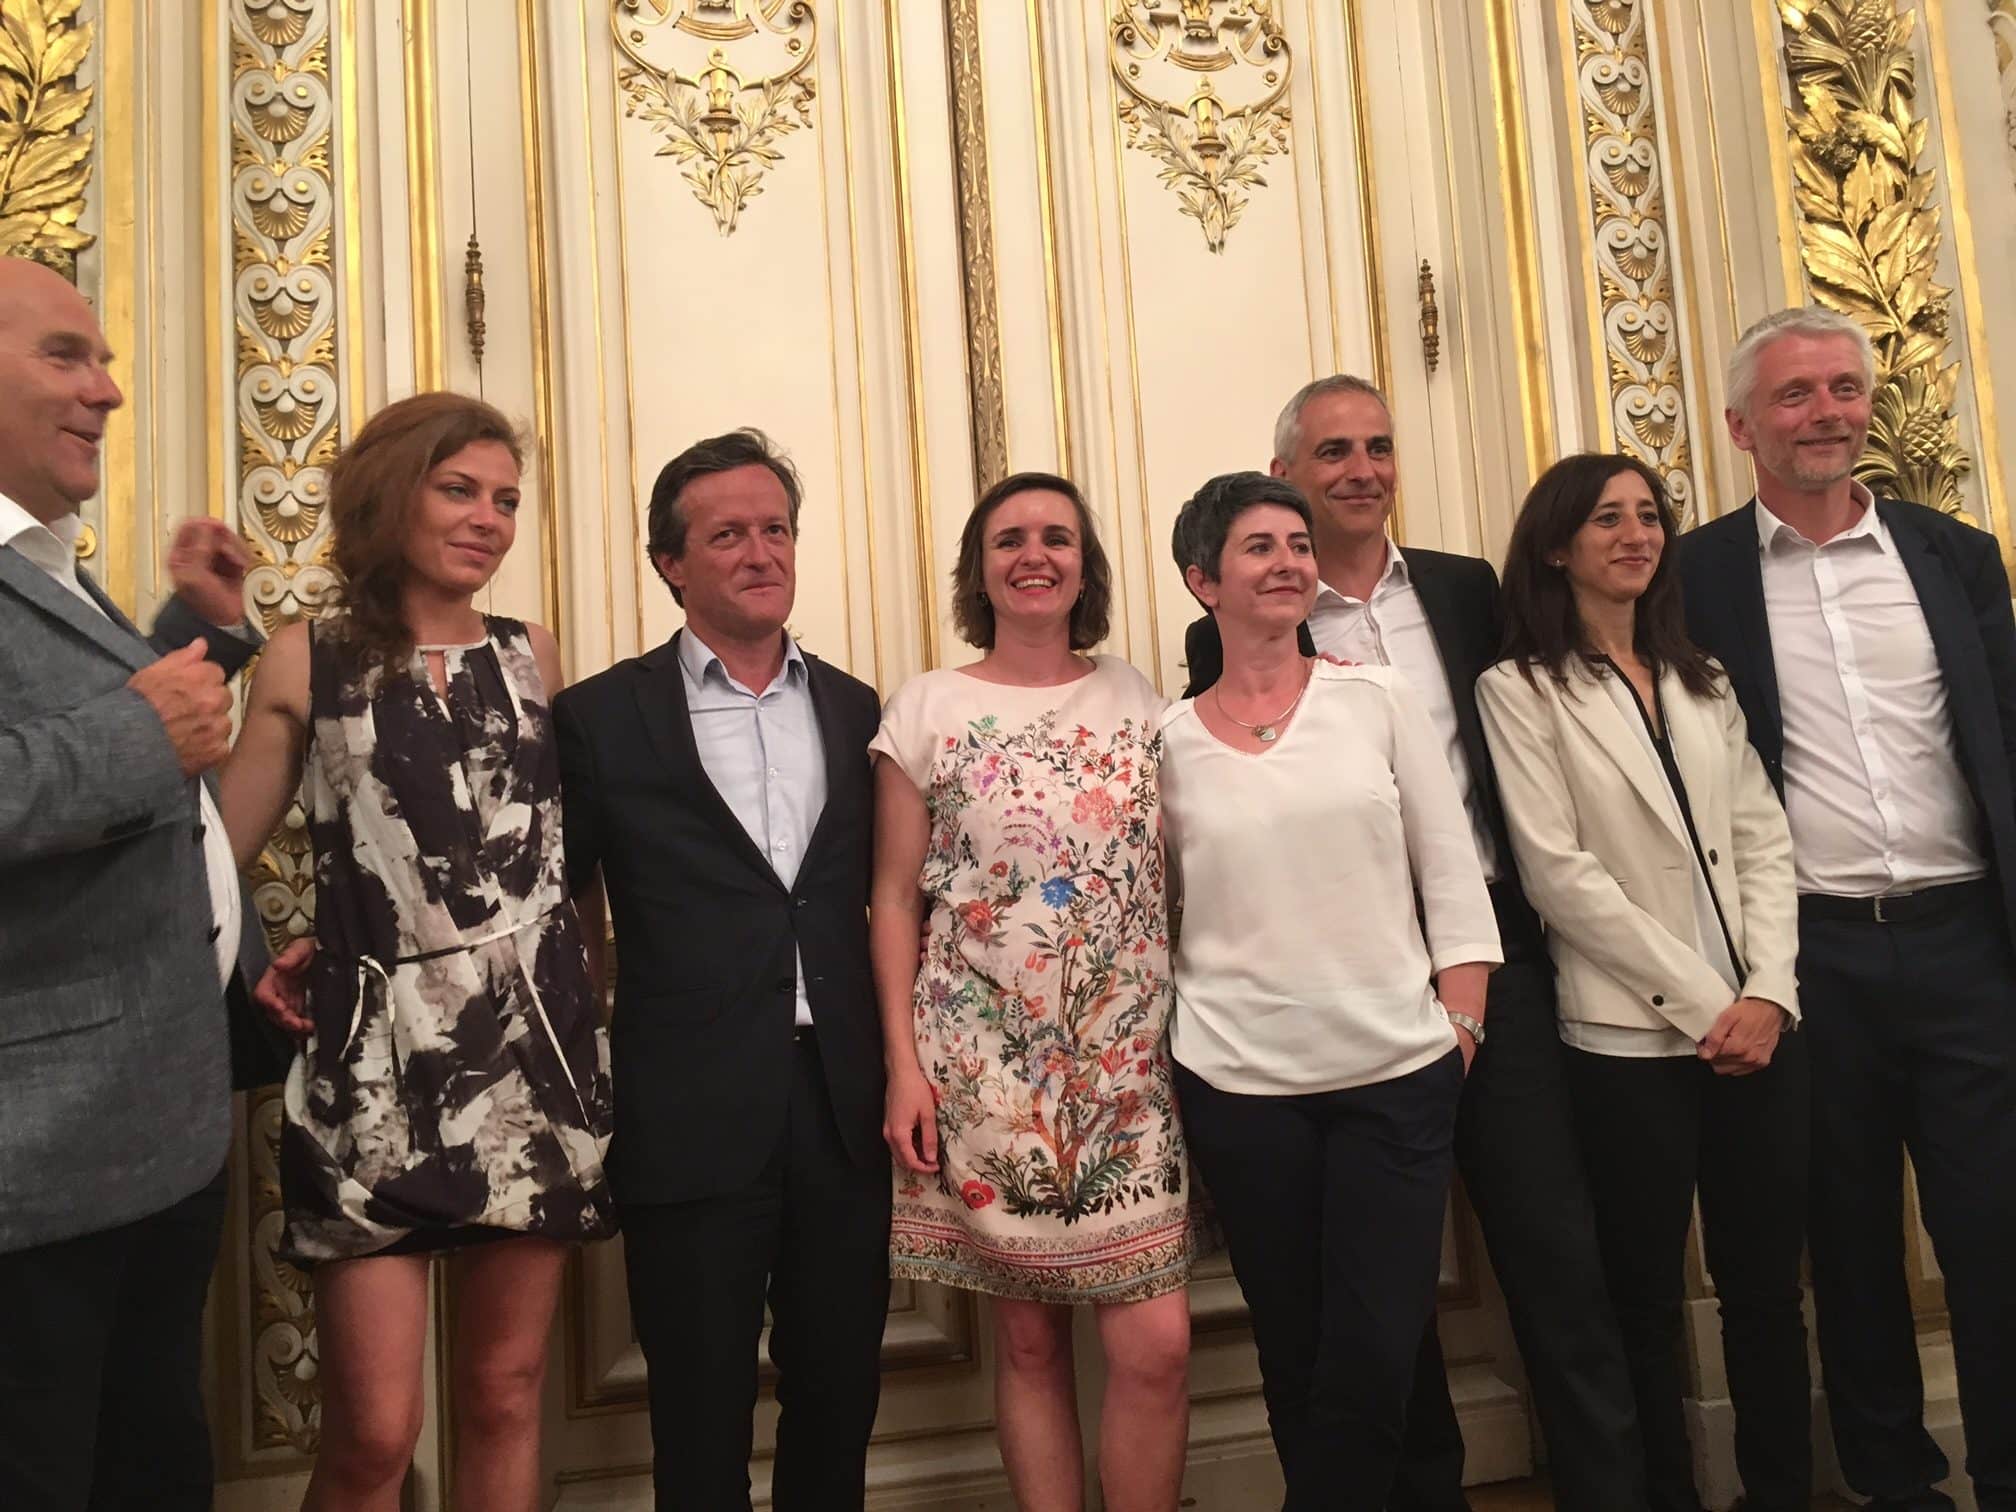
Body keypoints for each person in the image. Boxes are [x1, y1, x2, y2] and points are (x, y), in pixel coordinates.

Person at [1183, 376, 1647, 1512]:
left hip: (1494, 968)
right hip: (1345, 997)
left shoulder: (1460, 588)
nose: (1362, 470)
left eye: (1379, 446)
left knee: (1553, 1261)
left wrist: (1468, 1001)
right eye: (1333, 450)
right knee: (1378, 1291)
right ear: (1283, 474)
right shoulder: (1222, 638)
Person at [220, 391, 615, 1512]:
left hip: (535, 1063)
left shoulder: (532, 652)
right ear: (392, 494)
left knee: (502, 1397)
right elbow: (214, 851)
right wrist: (261, 957)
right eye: (460, 490)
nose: (489, 518)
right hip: (371, 1078)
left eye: (505, 499)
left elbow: (559, 862)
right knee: (375, 1438)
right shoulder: (304, 658)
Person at [1678, 306, 2016, 1512]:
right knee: (1854, 1245)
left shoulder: (1954, 554)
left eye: (1841, 389)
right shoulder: (1696, 575)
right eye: (1794, 396)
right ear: (1739, 426)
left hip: (1968, 940)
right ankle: (1894, 1485)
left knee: (1995, 1231)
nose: (1826, 413)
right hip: (1813, 957)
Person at [552, 429, 891, 1511]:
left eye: (776, 528)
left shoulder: (856, 707)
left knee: (839, 1396)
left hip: (843, 1103)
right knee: (697, 1413)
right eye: (728, 533)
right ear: (671, 563)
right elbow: (547, 900)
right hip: (687, 1110)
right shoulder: (600, 719)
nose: (760, 551)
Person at [0, 255, 286, 1510]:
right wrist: (138, 727)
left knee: (149, 1466)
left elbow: (108, 743)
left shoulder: (45, 559)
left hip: (152, 1136)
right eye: (65, 355)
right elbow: (119, 743)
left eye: (105, 358)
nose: (107, 390)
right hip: (38, 1166)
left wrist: (198, 629)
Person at [1477, 452, 1810, 1512]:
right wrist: (1716, 1005)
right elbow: (1559, 877)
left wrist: (1770, 990)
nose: (1637, 534)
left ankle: (1783, 1490)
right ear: (1554, 545)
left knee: (1766, 1293)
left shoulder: (1699, 674)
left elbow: (1763, 838)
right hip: (1628, 1043)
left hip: (1757, 1032)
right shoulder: (1519, 688)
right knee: (1643, 1301)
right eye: (1608, 519)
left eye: (1649, 516)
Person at [1161, 470, 1498, 1510]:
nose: (1291, 563)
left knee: (1373, 1338)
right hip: (1239, 1086)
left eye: (1298, 545)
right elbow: (1164, 919)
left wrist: (1461, 1028)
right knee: (1298, 1346)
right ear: (1202, 580)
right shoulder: (1164, 743)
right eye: (1260, 548)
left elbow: (1451, 872)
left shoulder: (1375, 697)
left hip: (1396, 1070)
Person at [871, 471, 1193, 1510]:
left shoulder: (1138, 695)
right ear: (980, 571)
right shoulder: (926, 705)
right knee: (1027, 1342)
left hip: (1129, 1073)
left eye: (1058, 537)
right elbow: (890, 898)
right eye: (1009, 539)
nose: (1034, 554)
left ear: (1085, 567)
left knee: (1155, 1347)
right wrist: (904, 1069)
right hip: (985, 1074)